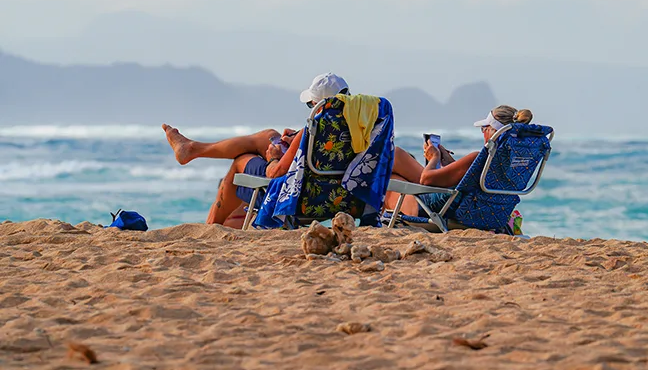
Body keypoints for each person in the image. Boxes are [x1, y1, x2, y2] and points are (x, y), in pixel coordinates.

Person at [163, 73, 355, 229]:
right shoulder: (364, 132)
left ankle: (211, 225)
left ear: (318, 105)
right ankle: (193, 149)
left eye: (310, 104)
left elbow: (276, 172)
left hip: (301, 203)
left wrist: (273, 157)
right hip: (344, 200)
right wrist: (296, 138)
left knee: (242, 160)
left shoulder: (312, 131)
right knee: (270, 135)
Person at [385, 105, 534, 218]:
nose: (483, 132)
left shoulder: (479, 158)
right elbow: (471, 181)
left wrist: (434, 157)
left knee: (393, 172)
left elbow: (426, 180)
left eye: (484, 128)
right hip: (485, 213)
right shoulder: (514, 163)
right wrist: (450, 162)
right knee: (395, 171)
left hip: (438, 209)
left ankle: (367, 214)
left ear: (494, 131)